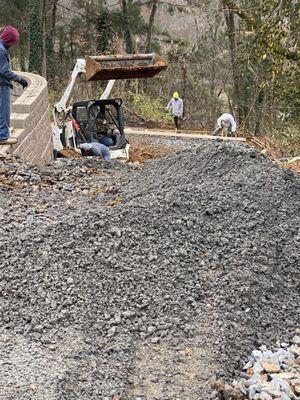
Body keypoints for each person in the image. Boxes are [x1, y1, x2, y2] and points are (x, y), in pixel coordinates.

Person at [0, 26, 28, 144]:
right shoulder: (1, 51)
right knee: (4, 111)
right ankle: (3, 136)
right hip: (1, 85)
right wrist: (20, 79)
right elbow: (4, 71)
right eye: (13, 42)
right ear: (10, 40)